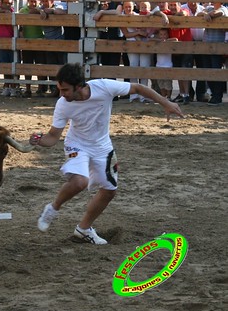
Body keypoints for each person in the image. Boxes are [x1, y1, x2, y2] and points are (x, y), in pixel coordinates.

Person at [31, 63, 184, 244]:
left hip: (102, 146)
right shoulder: (63, 104)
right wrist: (39, 140)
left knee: (110, 190)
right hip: (77, 145)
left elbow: (138, 87)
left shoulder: (103, 87)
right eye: (59, 89)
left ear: (79, 86)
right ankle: (53, 208)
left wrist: (165, 103)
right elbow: (53, 137)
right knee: (80, 181)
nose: (61, 94)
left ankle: (84, 229)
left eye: (65, 90)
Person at [198, 2, 228, 106]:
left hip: (217, 46)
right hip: (206, 45)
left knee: (216, 71)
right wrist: (205, 13)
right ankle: (214, 95)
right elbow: (198, 14)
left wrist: (207, 14)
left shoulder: (224, 9)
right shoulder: (208, 8)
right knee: (208, 71)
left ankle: (217, 96)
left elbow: (218, 13)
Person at [0, 0, 20, 97]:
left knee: (14, 66)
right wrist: (3, 10)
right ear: (1, 3)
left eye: (10, 3)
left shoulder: (11, 11)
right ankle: (7, 86)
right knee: (5, 65)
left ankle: (14, 87)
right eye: (6, 3)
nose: (8, 5)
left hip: (12, 41)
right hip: (2, 42)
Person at [38, 0, 66, 97]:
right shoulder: (41, 8)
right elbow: (33, 10)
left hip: (59, 42)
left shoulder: (59, 6)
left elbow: (62, 12)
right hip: (48, 43)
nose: (44, 3)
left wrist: (51, 11)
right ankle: (54, 89)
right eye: (43, 1)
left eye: (46, 1)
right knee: (51, 66)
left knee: (61, 66)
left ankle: (62, 89)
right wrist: (41, 11)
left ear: (52, 1)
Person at [18, 0, 45, 98]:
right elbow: (20, 27)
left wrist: (39, 10)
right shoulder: (23, 10)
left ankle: (40, 89)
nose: (33, 3)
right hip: (27, 42)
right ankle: (28, 88)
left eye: (35, 1)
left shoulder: (41, 10)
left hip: (39, 41)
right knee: (27, 66)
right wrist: (22, 38)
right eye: (31, 1)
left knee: (40, 66)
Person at [151, 28, 178, 100]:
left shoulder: (169, 42)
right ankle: (163, 97)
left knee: (168, 83)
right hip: (159, 65)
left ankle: (168, 97)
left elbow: (175, 39)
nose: (163, 36)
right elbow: (151, 39)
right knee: (161, 83)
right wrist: (160, 40)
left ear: (168, 35)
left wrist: (166, 41)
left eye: (165, 34)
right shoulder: (158, 43)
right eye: (161, 34)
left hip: (168, 65)